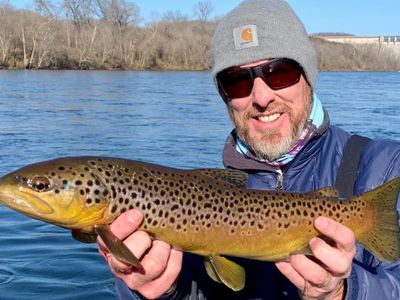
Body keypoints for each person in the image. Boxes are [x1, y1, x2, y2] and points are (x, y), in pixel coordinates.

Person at [97, 0, 400, 299]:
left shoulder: (386, 166)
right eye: (237, 81)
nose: (261, 96)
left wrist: (344, 292)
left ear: (308, 76)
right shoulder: (198, 201)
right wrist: (160, 291)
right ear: (226, 97)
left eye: (279, 72)